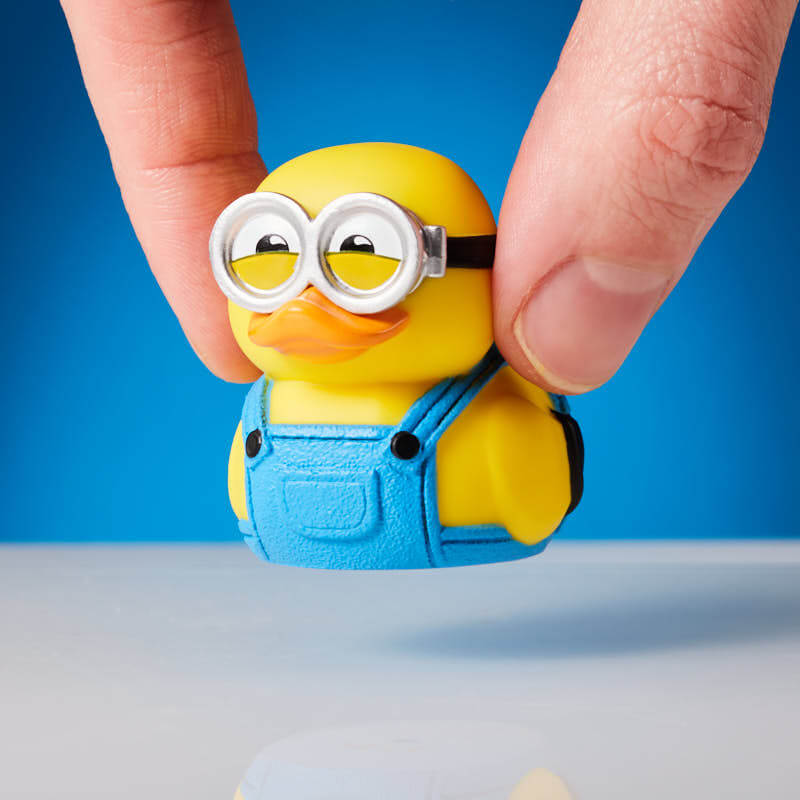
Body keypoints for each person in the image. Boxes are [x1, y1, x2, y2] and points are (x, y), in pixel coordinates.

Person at [60, 0, 797, 393]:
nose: (307, 300)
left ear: (451, 259)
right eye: (269, 250)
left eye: (363, 250)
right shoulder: (275, 411)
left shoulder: (481, 410)